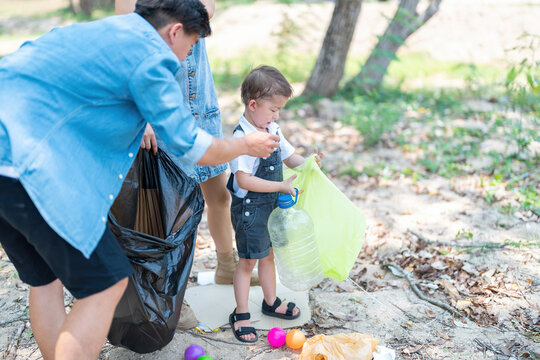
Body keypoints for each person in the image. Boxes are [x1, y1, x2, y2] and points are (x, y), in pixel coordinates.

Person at [0, 1, 279, 358]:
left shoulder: (95, 31)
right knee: (107, 283)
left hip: (7, 163)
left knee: (44, 280)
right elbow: (189, 144)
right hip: (31, 169)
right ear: (174, 32)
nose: (184, 57)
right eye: (190, 46)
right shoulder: (150, 55)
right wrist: (244, 144)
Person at [227, 65, 322, 342]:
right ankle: (241, 312)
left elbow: (290, 157)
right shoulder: (241, 139)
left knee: (268, 256)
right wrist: (280, 185)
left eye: (279, 110)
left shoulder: (272, 128)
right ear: (253, 105)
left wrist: (309, 166)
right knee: (247, 262)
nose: (276, 115)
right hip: (250, 210)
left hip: (270, 208)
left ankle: (270, 301)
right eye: (273, 109)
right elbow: (243, 180)